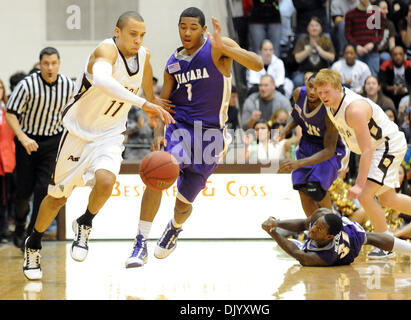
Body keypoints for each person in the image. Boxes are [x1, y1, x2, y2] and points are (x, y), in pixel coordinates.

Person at [21, 11, 175, 280]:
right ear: (117, 32)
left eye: (142, 35)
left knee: (106, 181)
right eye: (132, 34)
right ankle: (33, 242)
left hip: (110, 133)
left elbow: (149, 86)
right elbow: (104, 82)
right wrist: (143, 103)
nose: (138, 40)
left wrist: (154, 111)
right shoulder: (105, 50)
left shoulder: (144, 55)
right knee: (57, 197)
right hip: (78, 134)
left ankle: (85, 223)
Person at [124, 8, 263, 268]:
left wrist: (227, 48)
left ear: (203, 30)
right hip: (180, 128)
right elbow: (163, 104)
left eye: (193, 28)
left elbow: (257, 63)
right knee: (157, 174)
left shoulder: (218, 48)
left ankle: (174, 228)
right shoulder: (172, 63)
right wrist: (158, 135)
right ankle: (140, 241)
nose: (187, 32)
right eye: (182, 27)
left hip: (211, 138)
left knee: (183, 204)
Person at [313, 69, 411, 260]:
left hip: (387, 144)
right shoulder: (330, 105)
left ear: (338, 88)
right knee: (387, 199)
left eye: (326, 92)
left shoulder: (354, 109)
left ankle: (386, 244)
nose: (322, 96)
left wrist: (358, 184)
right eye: (320, 92)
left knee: (365, 194)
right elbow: (346, 135)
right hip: (376, 148)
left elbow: (366, 150)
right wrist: (344, 161)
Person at [5, 47, 75, 249]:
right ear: (40, 64)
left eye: (54, 63)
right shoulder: (27, 85)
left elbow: (74, 114)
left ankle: (31, 235)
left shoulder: (68, 86)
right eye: (46, 63)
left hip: (52, 141)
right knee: (23, 194)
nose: (50, 67)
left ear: (59, 64)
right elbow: (11, 114)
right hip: (28, 141)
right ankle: (19, 225)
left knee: (43, 189)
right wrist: (23, 138)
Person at [261, 207, 411, 266]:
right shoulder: (322, 216)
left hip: (346, 253)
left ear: (330, 235)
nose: (313, 228)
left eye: (319, 229)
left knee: (369, 237)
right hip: (342, 230)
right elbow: (302, 224)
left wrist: (273, 232)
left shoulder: (326, 256)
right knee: (371, 237)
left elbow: (298, 255)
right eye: (315, 225)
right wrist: (277, 222)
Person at [277, 72, 346, 217]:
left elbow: (329, 150)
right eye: (310, 86)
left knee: (315, 189)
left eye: (317, 89)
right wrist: (285, 129)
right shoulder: (298, 94)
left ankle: (332, 225)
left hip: (328, 150)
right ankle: (315, 230)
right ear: (305, 85)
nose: (313, 92)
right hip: (307, 144)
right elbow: (296, 116)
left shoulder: (329, 110)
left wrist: (299, 163)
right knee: (302, 188)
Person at [291, 17, 336, 88]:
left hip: (322, 72)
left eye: (316, 25)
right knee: (297, 81)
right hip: (304, 72)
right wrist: (310, 48)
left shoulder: (326, 40)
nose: (314, 28)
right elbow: (297, 59)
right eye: (312, 26)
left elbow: (332, 57)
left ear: (321, 28)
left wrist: (318, 48)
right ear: (307, 28)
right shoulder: (302, 40)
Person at [344, 0, 385, 76]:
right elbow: (348, 35)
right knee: (355, 77)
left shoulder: (377, 14)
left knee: (373, 79)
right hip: (356, 52)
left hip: (372, 51)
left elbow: (380, 35)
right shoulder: (350, 15)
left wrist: (372, 44)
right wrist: (356, 46)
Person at [0, 79, 15, 243]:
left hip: (7, 159)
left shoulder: (8, 112)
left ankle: (4, 230)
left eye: (0, 88)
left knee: (6, 197)